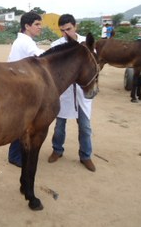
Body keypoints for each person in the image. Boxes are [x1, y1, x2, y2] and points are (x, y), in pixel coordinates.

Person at [47, 14, 96, 172]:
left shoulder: (86, 44)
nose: (66, 33)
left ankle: (85, 156)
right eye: (62, 30)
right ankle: (57, 150)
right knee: (60, 126)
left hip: (82, 92)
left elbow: (92, 65)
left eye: (68, 29)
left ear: (75, 26)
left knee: (85, 126)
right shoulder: (57, 45)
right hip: (64, 93)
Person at [7, 12, 45, 167]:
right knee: (22, 122)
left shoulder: (24, 41)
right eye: (37, 24)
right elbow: (41, 56)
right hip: (19, 88)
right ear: (27, 26)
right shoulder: (26, 42)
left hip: (17, 85)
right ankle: (15, 156)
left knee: (22, 122)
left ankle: (15, 154)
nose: (39, 27)